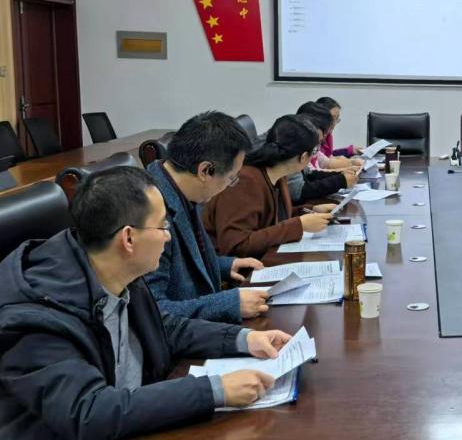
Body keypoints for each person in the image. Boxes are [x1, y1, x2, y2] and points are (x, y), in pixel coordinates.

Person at [0, 167, 292, 438]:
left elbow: (163, 328)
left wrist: (244, 339)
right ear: (128, 238)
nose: (168, 237)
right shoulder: (38, 318)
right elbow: (88, 412)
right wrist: (214, 391)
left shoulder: (115, 269)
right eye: (162, 226)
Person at [145, 112, 270, 322]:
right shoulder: (150, 212)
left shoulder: (181, 189)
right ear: (205, 170)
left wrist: (225, 265)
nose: (229, 186)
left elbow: (179, 264)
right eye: (231, 178)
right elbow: (152, 312)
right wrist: (228, 305)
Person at [203, 115, 336, 259]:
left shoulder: (277, 173)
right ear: (303, 157)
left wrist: (310, 211)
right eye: (314, 151)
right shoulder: (244, 181)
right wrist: (299, 225)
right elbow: (237, 246)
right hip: (234, 268)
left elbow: (274, 217)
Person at [288, 105, 356, 204]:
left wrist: (340, 175)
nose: (325, 135)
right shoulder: (289, 148)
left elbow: (309, 174)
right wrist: (339, 181)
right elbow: (298, 192)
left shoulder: (300, 142)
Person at [297, 101, 362, 172]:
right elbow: (313, 174)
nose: (332, 124)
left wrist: (352, 163)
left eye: (336, 119)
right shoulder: (302, 148)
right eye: (333, 118)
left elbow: (326, 161)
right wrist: (345, 170)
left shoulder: (321, 139)